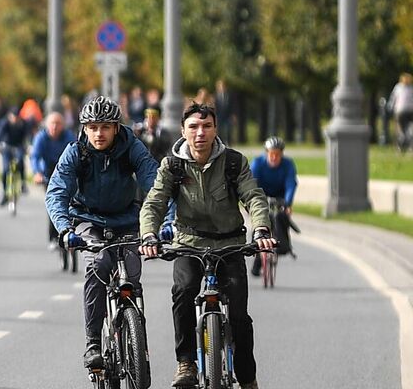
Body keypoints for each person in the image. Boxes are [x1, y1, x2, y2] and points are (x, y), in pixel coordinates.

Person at [139, 101, 274, 389]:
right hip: (189, 242)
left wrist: (261, 228)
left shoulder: (235, 162)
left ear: (215, 129)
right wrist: (150, 234)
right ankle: (186, 362)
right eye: (194, 127)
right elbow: (154, 202)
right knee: (183, 291)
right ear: (183, 131)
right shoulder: (172, 165)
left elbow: (253, 196)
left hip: (230, 244)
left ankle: (247, 378)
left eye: (207, 126)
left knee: (238, 314)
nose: (200, 132)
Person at [45, 97, 159, 372]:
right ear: (84, 129)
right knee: (98, 266)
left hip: (128, 220)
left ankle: (135, 335)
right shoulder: (76, 152)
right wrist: (64, 229)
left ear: (117, 128)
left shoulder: (132, 147)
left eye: (106, 127)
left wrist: (162, 224)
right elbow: (57, 192)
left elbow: (156, 186)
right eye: (93, 127)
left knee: (131, 273)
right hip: (88, 220)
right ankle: (93, 343)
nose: (99, 133)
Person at [247, 137, 297, 258]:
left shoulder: (288, 164)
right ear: (266, 153)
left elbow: (291, 184)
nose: (274, 157)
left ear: (282, 154)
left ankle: (283, 245)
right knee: (262, 217)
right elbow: (251, 183)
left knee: (281, 216)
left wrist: (288, 203)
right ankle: (256, 251)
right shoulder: (258, 163)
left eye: (277, 154)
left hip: (280, 195)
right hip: (262, 194)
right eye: (271, 154)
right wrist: (253, 202)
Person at [30, 110, 72, 245]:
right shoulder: (41, 138)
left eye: (58, 124)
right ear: (47, 125)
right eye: (52, 123)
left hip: (65, 170)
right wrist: (37, 173)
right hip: (48, 172)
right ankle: (53, 237)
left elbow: (77, 151)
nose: (55, 127)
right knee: (54, 203)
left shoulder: (68, 136)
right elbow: (35, 156)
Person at [0, 103, 32, 205]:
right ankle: (5, 192)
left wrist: (30, 145)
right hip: (7, 146)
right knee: (5, 169)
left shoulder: (23, 123)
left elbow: (28, 135)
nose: (15, 119)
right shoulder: (4, 123)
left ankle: (23, 183)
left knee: (20, 161)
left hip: (18, 146)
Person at [390, 73, 413, 152]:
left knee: (401, 130)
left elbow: (393, 99)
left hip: (400, 111)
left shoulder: (398, 87)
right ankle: (407, 145)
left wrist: (391, 108)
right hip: (408, 110)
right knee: (408, 129)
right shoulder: (410, 88)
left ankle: (401, 146)